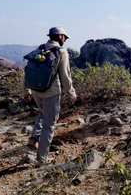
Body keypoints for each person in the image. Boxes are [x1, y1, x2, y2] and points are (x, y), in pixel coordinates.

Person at [24, 26, 77, 166]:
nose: (65, 39)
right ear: (60, 36)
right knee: (49, 125)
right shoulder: (61, 52)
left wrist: (26, 91)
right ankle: (42, 160)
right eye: (64, 37)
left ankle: (34, 138)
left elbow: (29, 70)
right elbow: (65, 75)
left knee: (43, 113)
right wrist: (71, 92)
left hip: (36, 90)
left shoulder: (41, 49)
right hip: (51, 92)